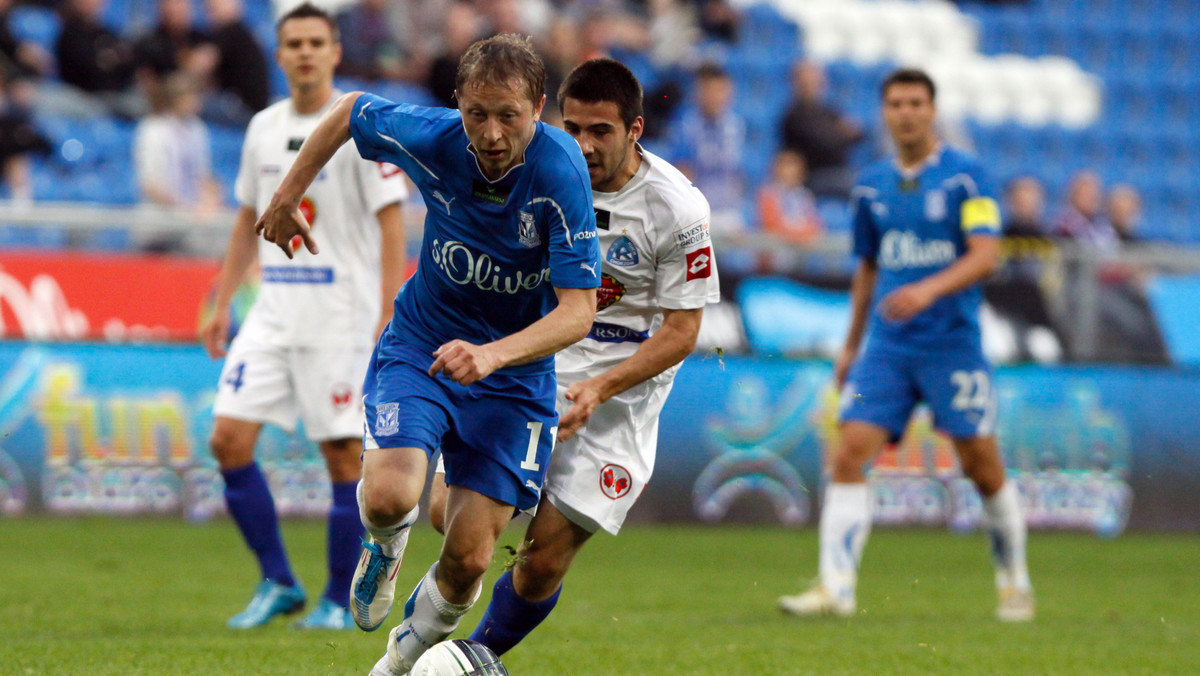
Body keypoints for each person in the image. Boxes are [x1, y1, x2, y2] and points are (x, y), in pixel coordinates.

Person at [253, 33, 601, 675]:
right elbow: (352, 108)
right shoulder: (434, 137)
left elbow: (579, 311)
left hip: (512, 377)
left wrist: (494, 356)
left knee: (469, 558)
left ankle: (391, 670)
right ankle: (383, 547)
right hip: (424, 343)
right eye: (477, 114)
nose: (492, 134)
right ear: (458, 106)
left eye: (509, 116)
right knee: (390, 496)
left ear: (539, 107)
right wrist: (286, 193)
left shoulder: (562, 173)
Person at [424, 57, 720, 657]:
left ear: (635, 130)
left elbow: (683, 331)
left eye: (601, 132)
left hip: (619, 397)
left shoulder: (679, 210)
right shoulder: (531, 166)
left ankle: (469, 660)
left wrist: (599, 390)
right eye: (573, 128)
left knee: (540, 563)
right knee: (447, 519)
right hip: (536, 362)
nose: (582, 146)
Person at [776, 68, 1034, 622]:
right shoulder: (870, 185)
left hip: (952, 347)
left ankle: (1014, 579)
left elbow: (987, 255)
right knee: (848, 454)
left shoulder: (968, 177)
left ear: (933, 110)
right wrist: (850, 346)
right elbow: (868, 267)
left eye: (917, 102)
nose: (907, 112)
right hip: (888, 348)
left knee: (982, 467)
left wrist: (927, 289)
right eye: (896, 103)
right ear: (885, 113)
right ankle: (835, 588)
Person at [199, 3, 408, 630]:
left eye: (317, 41)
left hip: (339, 318)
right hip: (272, 312)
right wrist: (221, 299)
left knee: (343, 457)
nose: (306, 52)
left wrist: (386, 308)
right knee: (227, 440)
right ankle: (278, 582)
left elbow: (391, 219)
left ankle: (336, 601)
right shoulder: (263, 127)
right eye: (295, 42)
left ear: (336, 51)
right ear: (280, 52)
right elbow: (246, 217)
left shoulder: (363, 126)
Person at [779, 60, 865, 200]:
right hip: (813, 176)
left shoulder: (827, 110)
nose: (813, 83)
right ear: (796, 82)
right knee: (859, 189)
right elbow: (822, 142)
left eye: (815, 78)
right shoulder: (794, 115)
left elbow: (858, 133)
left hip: (839, 171)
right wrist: (839, 133)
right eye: (807, 79)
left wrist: (836, 134)